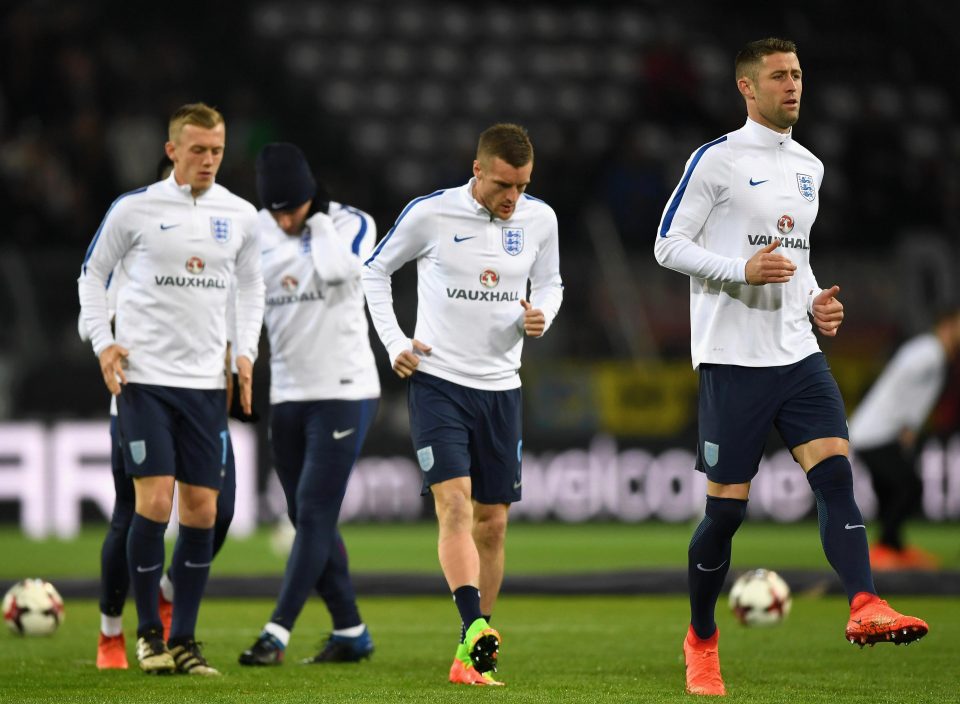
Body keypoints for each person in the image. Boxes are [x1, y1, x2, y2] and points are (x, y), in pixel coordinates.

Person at [654, 38, 929, 697]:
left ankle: (865, 605)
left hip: (797, 354)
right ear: (747, 88)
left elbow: (797, 254)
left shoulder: (810, 165)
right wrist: (739, 271)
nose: (792, 85)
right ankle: (701, 638)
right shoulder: (716, 161)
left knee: (836, 476)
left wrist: (814, 301)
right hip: (732, 361)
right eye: (778, 75)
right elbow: (667, 245)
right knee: (726, 516)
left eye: (798, 74)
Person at [361, 123, 563, 686]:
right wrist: (396, 343)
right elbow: (374, 270)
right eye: (503, 184)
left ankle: (468, 655)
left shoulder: (539, 220)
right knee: (455, 505)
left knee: (493, 524)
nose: (512, 198)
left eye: (522, 186)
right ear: (477, 171)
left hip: (502, 387)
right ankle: (476, 629)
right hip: (439, 382)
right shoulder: (431, 215)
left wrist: (542, 313)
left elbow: (552, 285)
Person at [78, 103, 264, 675]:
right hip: (143, 380)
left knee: (205, 512)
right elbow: (92, 274)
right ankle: (144, 636)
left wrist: (245, 353)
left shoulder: (241, 215)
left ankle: (184, 640)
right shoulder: (134, 210)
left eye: (217, 151)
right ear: (172, 150)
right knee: (152, 501)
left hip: (206, 384)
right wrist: (103, 342)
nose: (209, 160)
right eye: (198, 150)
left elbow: (250, 286)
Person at [236, 143, 380, 666]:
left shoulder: (350, 223)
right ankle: (351, 630)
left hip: (345, 391)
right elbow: (240, 298)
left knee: (315, 514)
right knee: (306, 518)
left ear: (312, 195)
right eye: (276, 209)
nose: (284, 218)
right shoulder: (254, 230)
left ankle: (276, 632)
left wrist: (317, 222)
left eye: (293, 207)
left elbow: (342, 273)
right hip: (289, 394)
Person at [849, 307, 960, 570]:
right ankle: (884, 549)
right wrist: (907, 422)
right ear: (946, 325)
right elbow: (899, 382)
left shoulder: (931, 352)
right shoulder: (929, 352)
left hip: (874, 431)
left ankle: (894, 548)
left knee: (892, 491)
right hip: (876, 432)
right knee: (909, 486)